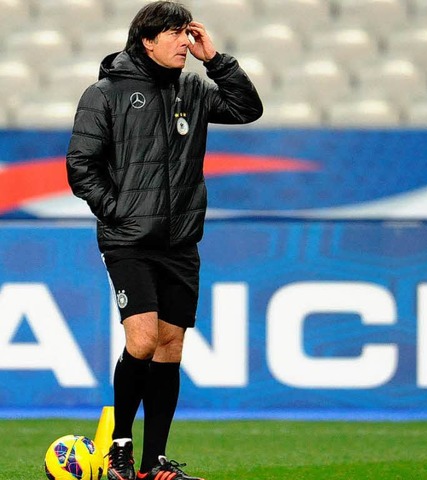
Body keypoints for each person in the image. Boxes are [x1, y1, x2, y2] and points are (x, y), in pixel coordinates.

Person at [66, 2, 262, 479]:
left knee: (171, 346)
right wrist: (119, 211)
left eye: (186, 32)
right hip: (128, 240)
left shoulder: (193, 89)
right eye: (175, 33)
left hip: (180, 242)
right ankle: (118, 449)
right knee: (144, 338)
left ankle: (155, 462)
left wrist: (215, 60)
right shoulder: (105, 94)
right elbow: (80, 167)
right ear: (147, 40)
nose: (183, 42)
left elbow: (247, 108)